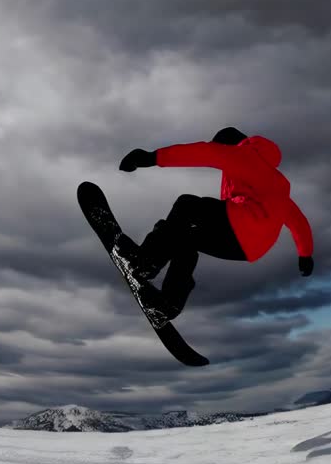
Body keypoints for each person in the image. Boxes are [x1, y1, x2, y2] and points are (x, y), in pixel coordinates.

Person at [116, 127, 314, 321]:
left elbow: (205, 153)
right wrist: (305, 256)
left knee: (187, 205)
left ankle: (145, 263)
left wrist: (151, 157)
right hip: (249, 249)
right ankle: (169, 304)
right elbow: (298, 222)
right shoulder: (275, 183)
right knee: (185, 240)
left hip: (242, 225)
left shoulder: (244, 153)